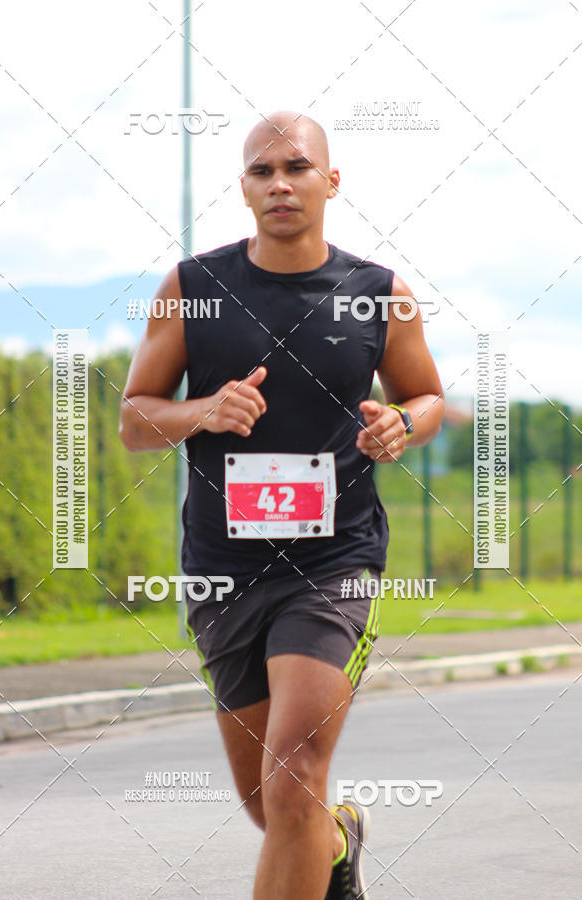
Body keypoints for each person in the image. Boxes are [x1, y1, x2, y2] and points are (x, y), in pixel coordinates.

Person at [119, 109, 444, 899]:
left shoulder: (379, 293)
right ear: (244, 190)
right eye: (262, 172)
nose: (280, 184)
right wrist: (202, 412)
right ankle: (339, 842)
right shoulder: (193, 289)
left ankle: (320, 833)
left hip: (336, 561)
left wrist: (402, 423)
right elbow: (135, 419)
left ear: (331, 182)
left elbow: (428, 394)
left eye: (296, 168)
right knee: (273, 805)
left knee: (295, 772)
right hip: (223, 571)